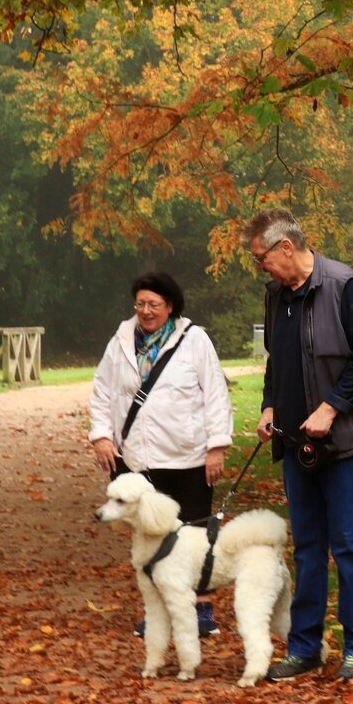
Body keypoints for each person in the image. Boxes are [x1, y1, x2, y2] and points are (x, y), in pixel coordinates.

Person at [244, 208, 353, 682]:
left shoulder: (343, 286)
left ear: (286, 248)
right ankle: (305, 647)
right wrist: (270, 407)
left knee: (349, 545)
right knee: (308, 547)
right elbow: (277, 360)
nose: (261, 268)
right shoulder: (276, 297)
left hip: (346, 440)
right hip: (296, 442)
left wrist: (331, 408)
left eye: (262, 259)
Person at [89, 271, 234, 637]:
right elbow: (102, 392)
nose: (146, 311)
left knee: (195, 535)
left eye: (154, 304)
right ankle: (157, 612)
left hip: (188, 456)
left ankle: (200, 610)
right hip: (136, 458)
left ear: (170, 306)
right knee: (148, 538)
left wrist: (216, 446)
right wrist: (101, 437)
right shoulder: (120, 342)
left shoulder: (195, 340)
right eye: (140, 304)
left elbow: (215, 392)